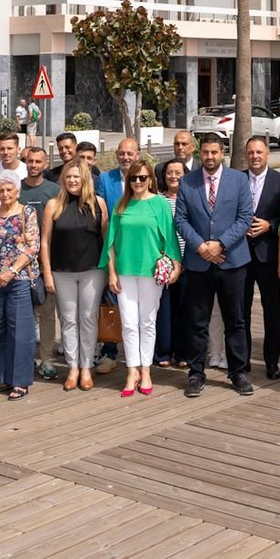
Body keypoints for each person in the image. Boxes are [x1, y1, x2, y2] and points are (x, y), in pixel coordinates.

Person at [174, 134, 255, 397]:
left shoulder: (239, 180)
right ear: (200, 153)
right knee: (197, 322)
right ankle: (196, 373)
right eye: (205, 153)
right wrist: (201, 247)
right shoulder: (187, 182)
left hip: (232, 262)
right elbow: (181, 220)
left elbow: (245, 218)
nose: (209, 157)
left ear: (223, 152)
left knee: (236, 320)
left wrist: (220, 244)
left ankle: (238, 372)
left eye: (214, 153)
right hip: (198, 263)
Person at [102, 161, 183, 394]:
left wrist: (176, 266)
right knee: (128, 323)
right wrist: (111, 272)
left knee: (147, 322)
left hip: (151, 272)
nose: (138, 182)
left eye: (143, 177)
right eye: (134, 178)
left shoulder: (160, 204)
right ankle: (131, 371)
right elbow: (110, 243)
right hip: (125, 271)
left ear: (150, 179)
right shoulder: (120, 204)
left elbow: (169, 237)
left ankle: (146, 370)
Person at [41, 161, 107, 392]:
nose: (72, 180)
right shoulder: (53, 205)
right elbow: (45, 241)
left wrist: (110, 271)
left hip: (92, 271)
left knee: (88, 319)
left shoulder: (98, 203)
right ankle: (73, 367)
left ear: (85, 179)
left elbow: (106, 239)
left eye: (76, 177)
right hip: (62, 271)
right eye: (68, 177)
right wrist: (47, 273)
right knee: (68, 320)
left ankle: (87, 366)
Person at [0, 175, 39, 400]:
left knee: (20, 331)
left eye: (9, 190)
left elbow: (33, 247)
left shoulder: (27, 213)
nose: (5, 194)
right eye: (1, 190)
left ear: (17, 191)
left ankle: (20, 381)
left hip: (18, 280)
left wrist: (10, 272)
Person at [239, 134, 280, 380]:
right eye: (251, 152)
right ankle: (243, 361)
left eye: (259, 152)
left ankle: (272, 362)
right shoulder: (236, 179)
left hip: (268, 256)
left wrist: (270, 225)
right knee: (241, 311)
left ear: (267, 154)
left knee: (272, 312)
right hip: (241, 255)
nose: (255, 156)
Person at [17, 146, 62, 382]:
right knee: (24, 314)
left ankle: (46, 359)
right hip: (19, 264)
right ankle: (25, 358)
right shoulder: (17, 190)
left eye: (38, 162)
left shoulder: (54, 190)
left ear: (46, 164)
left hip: (47, 261)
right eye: (30, 161)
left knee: (46, 313)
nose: (33, 165)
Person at [157, 158, 190, 368]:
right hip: (163, 264)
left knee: (185, 309)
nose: (173, 176)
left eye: (178, 172)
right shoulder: (158, 200)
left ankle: (184, 352)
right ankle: (163, 352)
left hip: (189, 262)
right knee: (164, 310)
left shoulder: (192, 199)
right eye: (170, 172)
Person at [99, 137, 140, 207]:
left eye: (129, 154)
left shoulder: (144, 178)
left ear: (137, 156)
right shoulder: (105, 179)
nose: (125, 157)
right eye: (121, 153)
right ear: (117, 155)